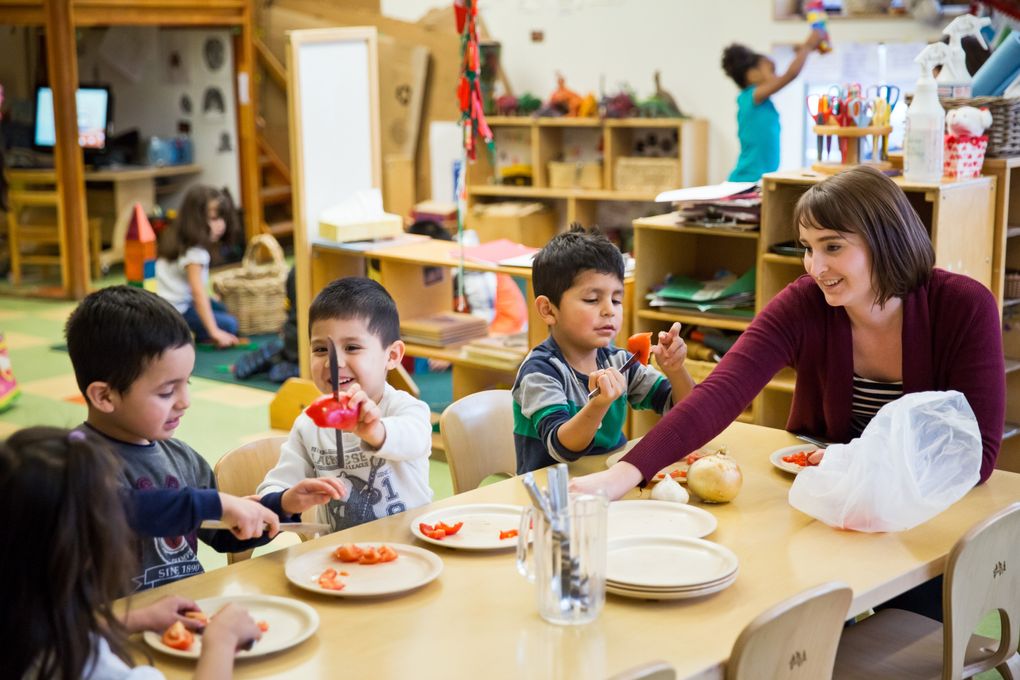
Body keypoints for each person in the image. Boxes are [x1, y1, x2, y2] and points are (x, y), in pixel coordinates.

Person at [571, 166, 1004, 501]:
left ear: (886, 240)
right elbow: (721, 393)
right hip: (819, 494)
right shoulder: (805, 302)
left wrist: (853, 460)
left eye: (833, 247)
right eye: (807, 248)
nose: (816, 268)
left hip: (923, 502)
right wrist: (622, 475)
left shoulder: (963, 306)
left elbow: (977, 457)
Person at [64, 285, 346, 591]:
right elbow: (118, 508)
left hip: (188, 613)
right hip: (113, 628)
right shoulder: (71, 461)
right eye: (166, 391)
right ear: (104, 396)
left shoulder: (183, 459)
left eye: (187, 383)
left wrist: (279, 506)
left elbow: (224, 536)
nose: (184, 401)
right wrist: (215, 504)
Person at [2, 425, 263, 680]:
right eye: (112, 514)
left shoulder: (24, 611)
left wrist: (135, 619)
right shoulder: (84, 662)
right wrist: (221, 642)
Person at [512, 225, 695, 473]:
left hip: (609, 485)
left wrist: (675, 370)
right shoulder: (540, 372)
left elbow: (684, 412)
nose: (610, 310)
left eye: (616, 299)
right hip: (553, 496)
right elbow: (561, 447)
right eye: (592, 299)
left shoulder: (619, 361)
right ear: (548, 309)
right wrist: (598, 405)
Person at [258, 277, 433, 532]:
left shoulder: (405, 408)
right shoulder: (310, 423)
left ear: (392, 356)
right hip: (339, 558)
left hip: (409, 547)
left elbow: (415, 438)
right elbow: (274, 487)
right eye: (320, 350)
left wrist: (377, 432)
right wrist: (285, 499)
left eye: (352, 347)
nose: (333, 362)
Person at [722, 31, 824, 182]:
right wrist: (807, 46)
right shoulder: (751, 97)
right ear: (752, 75)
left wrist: (800, 51)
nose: (776, 77)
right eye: (771, 71)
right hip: (745, 179)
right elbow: (790, 75)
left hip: (758, 179)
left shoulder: (761, 101)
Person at [156, 185, 240, 348]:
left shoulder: (179, 238)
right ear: (197, 220)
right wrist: (214, 331)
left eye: (222, 218)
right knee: (231, 324)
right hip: (177, 311)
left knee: (221, 308)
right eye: (214, 219)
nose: (221, 225)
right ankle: (189, 333)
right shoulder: (195, 253)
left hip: (169, 303)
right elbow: (197, 293)